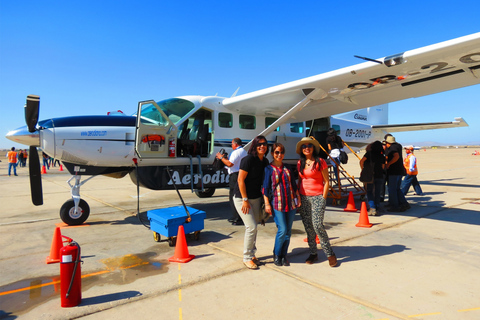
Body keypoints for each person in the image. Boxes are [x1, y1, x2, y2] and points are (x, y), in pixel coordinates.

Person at [296, 137, 337, 267]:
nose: (306, 148)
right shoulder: (300, 163)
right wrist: (298, 196)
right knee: (308, 227)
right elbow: (300, 180)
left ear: (313, 148)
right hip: (304, 197)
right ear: (301, 150)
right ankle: (313, 253)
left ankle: (329, 253)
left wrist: (324, 198)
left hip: (318, 197)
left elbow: (326, 181)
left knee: (318, 225)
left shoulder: (320, 162)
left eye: (309, 145)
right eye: (304, 146)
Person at [233, 135, 269, 269]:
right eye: (259, 144)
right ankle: (247, 257)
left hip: (256, 198)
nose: (262, 146)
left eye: (264, 144)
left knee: (255, 227)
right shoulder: (248, 160)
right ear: (254, 146)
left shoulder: (264, 161)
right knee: (251, 227)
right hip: (242, 198)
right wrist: (245, 200)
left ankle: (252, 254)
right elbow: (240, 180)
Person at [262, 143, 301, 267]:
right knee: (282, 230)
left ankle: (284, 255)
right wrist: (267, 203)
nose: (279, 155)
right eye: (277, 152)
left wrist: (298, 197)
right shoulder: (268, 169)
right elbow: (265, 188)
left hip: (290, 203)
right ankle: (277, 254)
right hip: (277, 204)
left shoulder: (288, 167)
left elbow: (293, 184)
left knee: (288, 231)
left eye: (281, 152)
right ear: (272, 153)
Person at [215, 138, 247, 225]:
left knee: (233, 196)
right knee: (238, 196)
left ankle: (236, 217)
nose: (231, 146)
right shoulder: (243, 151)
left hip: (235, 176)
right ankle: (239, 216)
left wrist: (221, 157)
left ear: (235, 144)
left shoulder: (236, 152)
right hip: (240, 174)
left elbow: (230, 164)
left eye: (232, 144)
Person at [359, 141, 385, 216]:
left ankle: (372, 207)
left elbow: (361, 161)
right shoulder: (382, 156)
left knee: (369, 191)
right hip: (379, 175)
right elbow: (383, 167)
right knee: (377, 192)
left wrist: (363, 169)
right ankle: (377, 207)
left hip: (370, 176)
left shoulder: (369, 154)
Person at [384, 135, 409, 212]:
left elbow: (396, 156)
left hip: (394, 171)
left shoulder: (393, 148)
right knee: (397, 189)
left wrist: (389, 164)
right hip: (399, 171)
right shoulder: (398, 146)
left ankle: (394, 206)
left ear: (388, 143)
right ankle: (403, 203)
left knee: (392, 189)